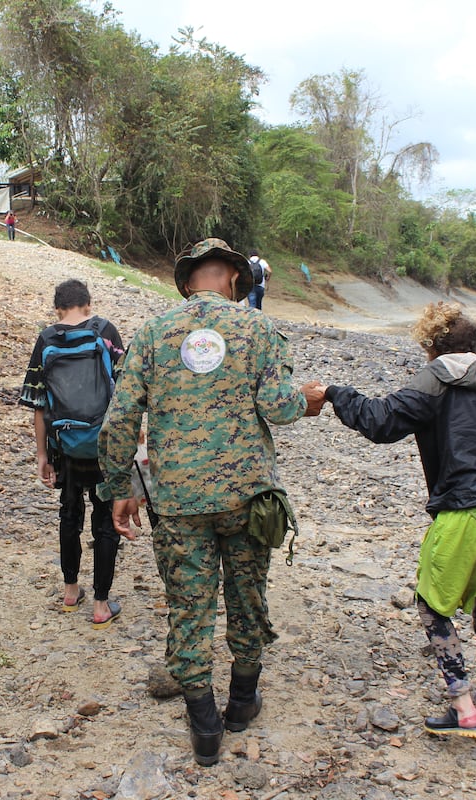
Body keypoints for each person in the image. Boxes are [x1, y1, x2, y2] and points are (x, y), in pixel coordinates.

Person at [98, 238, 324, 766]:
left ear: (185, 284)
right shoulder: (259, 328)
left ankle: (204, 723)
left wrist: (122, 491)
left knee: (189, 605)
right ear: (235, 280)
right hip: (248, 497)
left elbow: (119, 421)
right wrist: (309, 399)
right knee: (247, 596)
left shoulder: (153, 333)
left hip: (178, 501)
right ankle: (242, 702)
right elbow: (280, 405)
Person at [302, 302, 476, 746]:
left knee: (432, 604)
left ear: (430, 347)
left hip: (468, 510)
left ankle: (462, 708)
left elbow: (381, 422)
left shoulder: (435, 377)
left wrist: (333, 392)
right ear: (475, 346)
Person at [20, 280, 126, 630]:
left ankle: (70, 591)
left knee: (69, 513)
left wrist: (41, 455)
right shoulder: (106, 331)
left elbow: (37, 405)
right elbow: (125, 395)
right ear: (88, 303)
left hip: (63, 444)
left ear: (57, 309)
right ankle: (100, 605)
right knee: (105, 521)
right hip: (104, 445)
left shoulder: (47, 338)